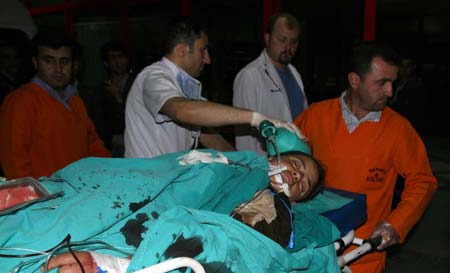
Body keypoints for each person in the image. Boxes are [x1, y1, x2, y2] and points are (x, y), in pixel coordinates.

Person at [294, 41, 437, 273]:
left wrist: (395, 223)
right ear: (355, 80)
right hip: (313, 246)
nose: (390, 91)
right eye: (382, 82)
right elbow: (289, 155)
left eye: (393, 83)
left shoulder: (398, 129)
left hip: (363, 254)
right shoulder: (317, 115)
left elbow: (423, 180)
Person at [40, 150, 324, 273]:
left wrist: (123, 267)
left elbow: (235, 248)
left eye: (304, 183)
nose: (297, 175)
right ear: (273, 155)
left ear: (297, 200)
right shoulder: (236, 162)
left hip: (158, 238)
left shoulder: (277, 210)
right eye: (296, 165)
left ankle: (127, 269)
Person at [124, 19, 302, 158]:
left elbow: (208, 136)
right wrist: (256, 118)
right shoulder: (154, 77)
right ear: (180, 50)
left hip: (168, 180)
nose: (207, 59)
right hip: (147, 183)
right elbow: (181, 110)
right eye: (203, 50)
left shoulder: (184, 87)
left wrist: (246, 162)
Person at [0, 31, 110, 179]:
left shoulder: (75, 101)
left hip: (80, 193)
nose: (58, 69)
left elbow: (93, 144)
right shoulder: (20, 101)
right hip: (46, 198)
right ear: (35, 62)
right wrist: (31, 199)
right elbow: (14, 161)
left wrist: (112, 175)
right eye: (49, 61)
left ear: (73, 65)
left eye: (65, 61)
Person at [233, 12, 308, 155]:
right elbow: (244, 134)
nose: (288, 47)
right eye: (282, 39)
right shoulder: (250, 75)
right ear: (267, 39)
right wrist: (252, 170)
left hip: (294, 159)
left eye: (294, 42)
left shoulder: (295, 74)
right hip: (265, 164)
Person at [89, 42, 135, 157]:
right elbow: (98, 122)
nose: (117, 62)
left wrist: (119, 98)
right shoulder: (100, 90)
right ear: (106, 63)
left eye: (120, 57)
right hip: (111, 146)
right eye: (112, 58)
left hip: (137, 141)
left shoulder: (137, 84)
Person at [389, 57, 428, 134]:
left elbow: (415, 111)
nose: (404, 70)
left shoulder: (416, 86)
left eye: (407, 66)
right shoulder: (394, 83)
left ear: (413, 67)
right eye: (402, 66)